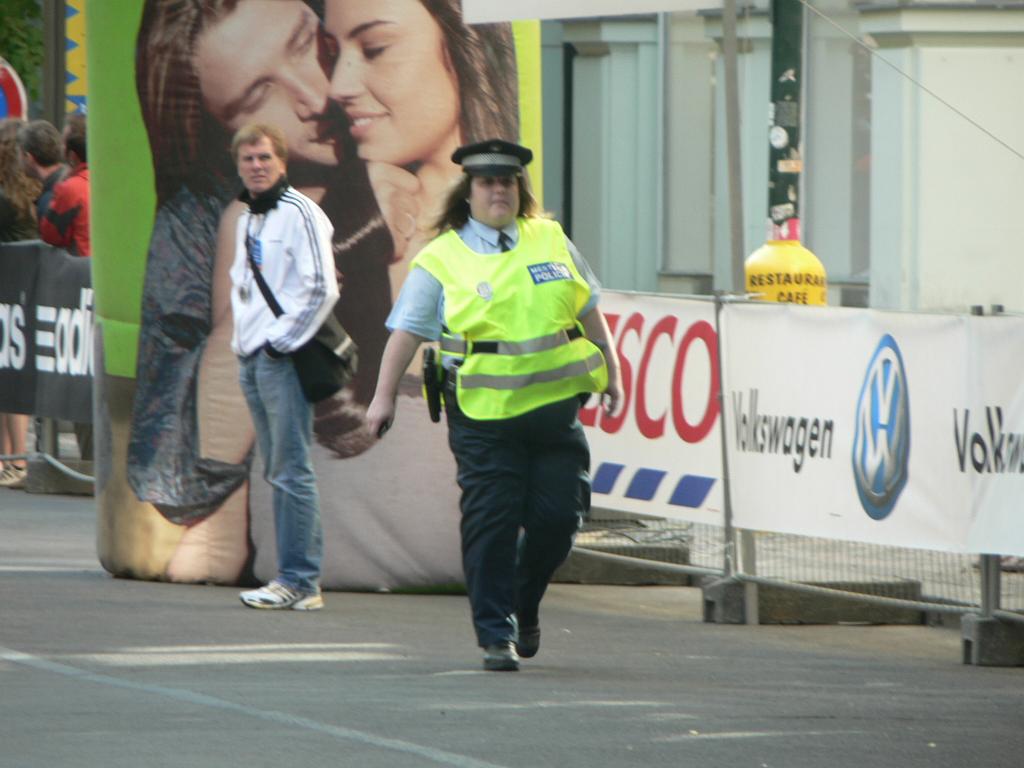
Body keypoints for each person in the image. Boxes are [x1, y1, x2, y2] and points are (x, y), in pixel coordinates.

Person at [366, 139, 623, 671]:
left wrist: (613, 372)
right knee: (492, 520)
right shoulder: (442, 257)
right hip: (482, 416)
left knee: (559, 520)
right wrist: (382, 398)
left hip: (554, 412)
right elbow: (406, 333)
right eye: (487, 182)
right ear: (469, 193)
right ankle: (494, 633)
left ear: (519, 189)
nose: (499, 190)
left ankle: (524, 602)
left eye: (507, 181)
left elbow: (590, 309)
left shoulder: (550, 239)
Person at [324, 0, 518, 298]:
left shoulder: (536, 233)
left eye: (374, 48)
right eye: (333, 55)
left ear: (466, 43)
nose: (338, 87)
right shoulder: (339, 221)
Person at [230, 123, 337, 610]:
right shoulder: (247, 217)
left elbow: (321, 288)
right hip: (252, 356)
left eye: (264, 158)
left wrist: (279, 345)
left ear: (282, 163)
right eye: (248, 159)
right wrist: (245, 347)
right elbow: (244, 288)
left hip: (280, 358)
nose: (256, 166)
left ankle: (299, 579)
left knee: (292, 469)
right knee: (278, 469)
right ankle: (291, 577)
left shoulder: (301, 213)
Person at [0, 118, 41, 490]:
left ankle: (13, 458)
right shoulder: (34, 190)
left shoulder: (4, 199)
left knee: (7, 378)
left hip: (6, 292)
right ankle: (13, 459)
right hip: (32, 290)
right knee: (15, 376)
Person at [39, 113, 90, 257]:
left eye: (63, 143)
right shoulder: (108, 181)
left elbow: (51, 236)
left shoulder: (70, 188)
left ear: (72, 154)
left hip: (80, 269)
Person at [16, 119, 67, 221]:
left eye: (18, 153)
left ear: (28, 157)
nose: (17, 159)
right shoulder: (69, 179)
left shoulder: (50, 201)